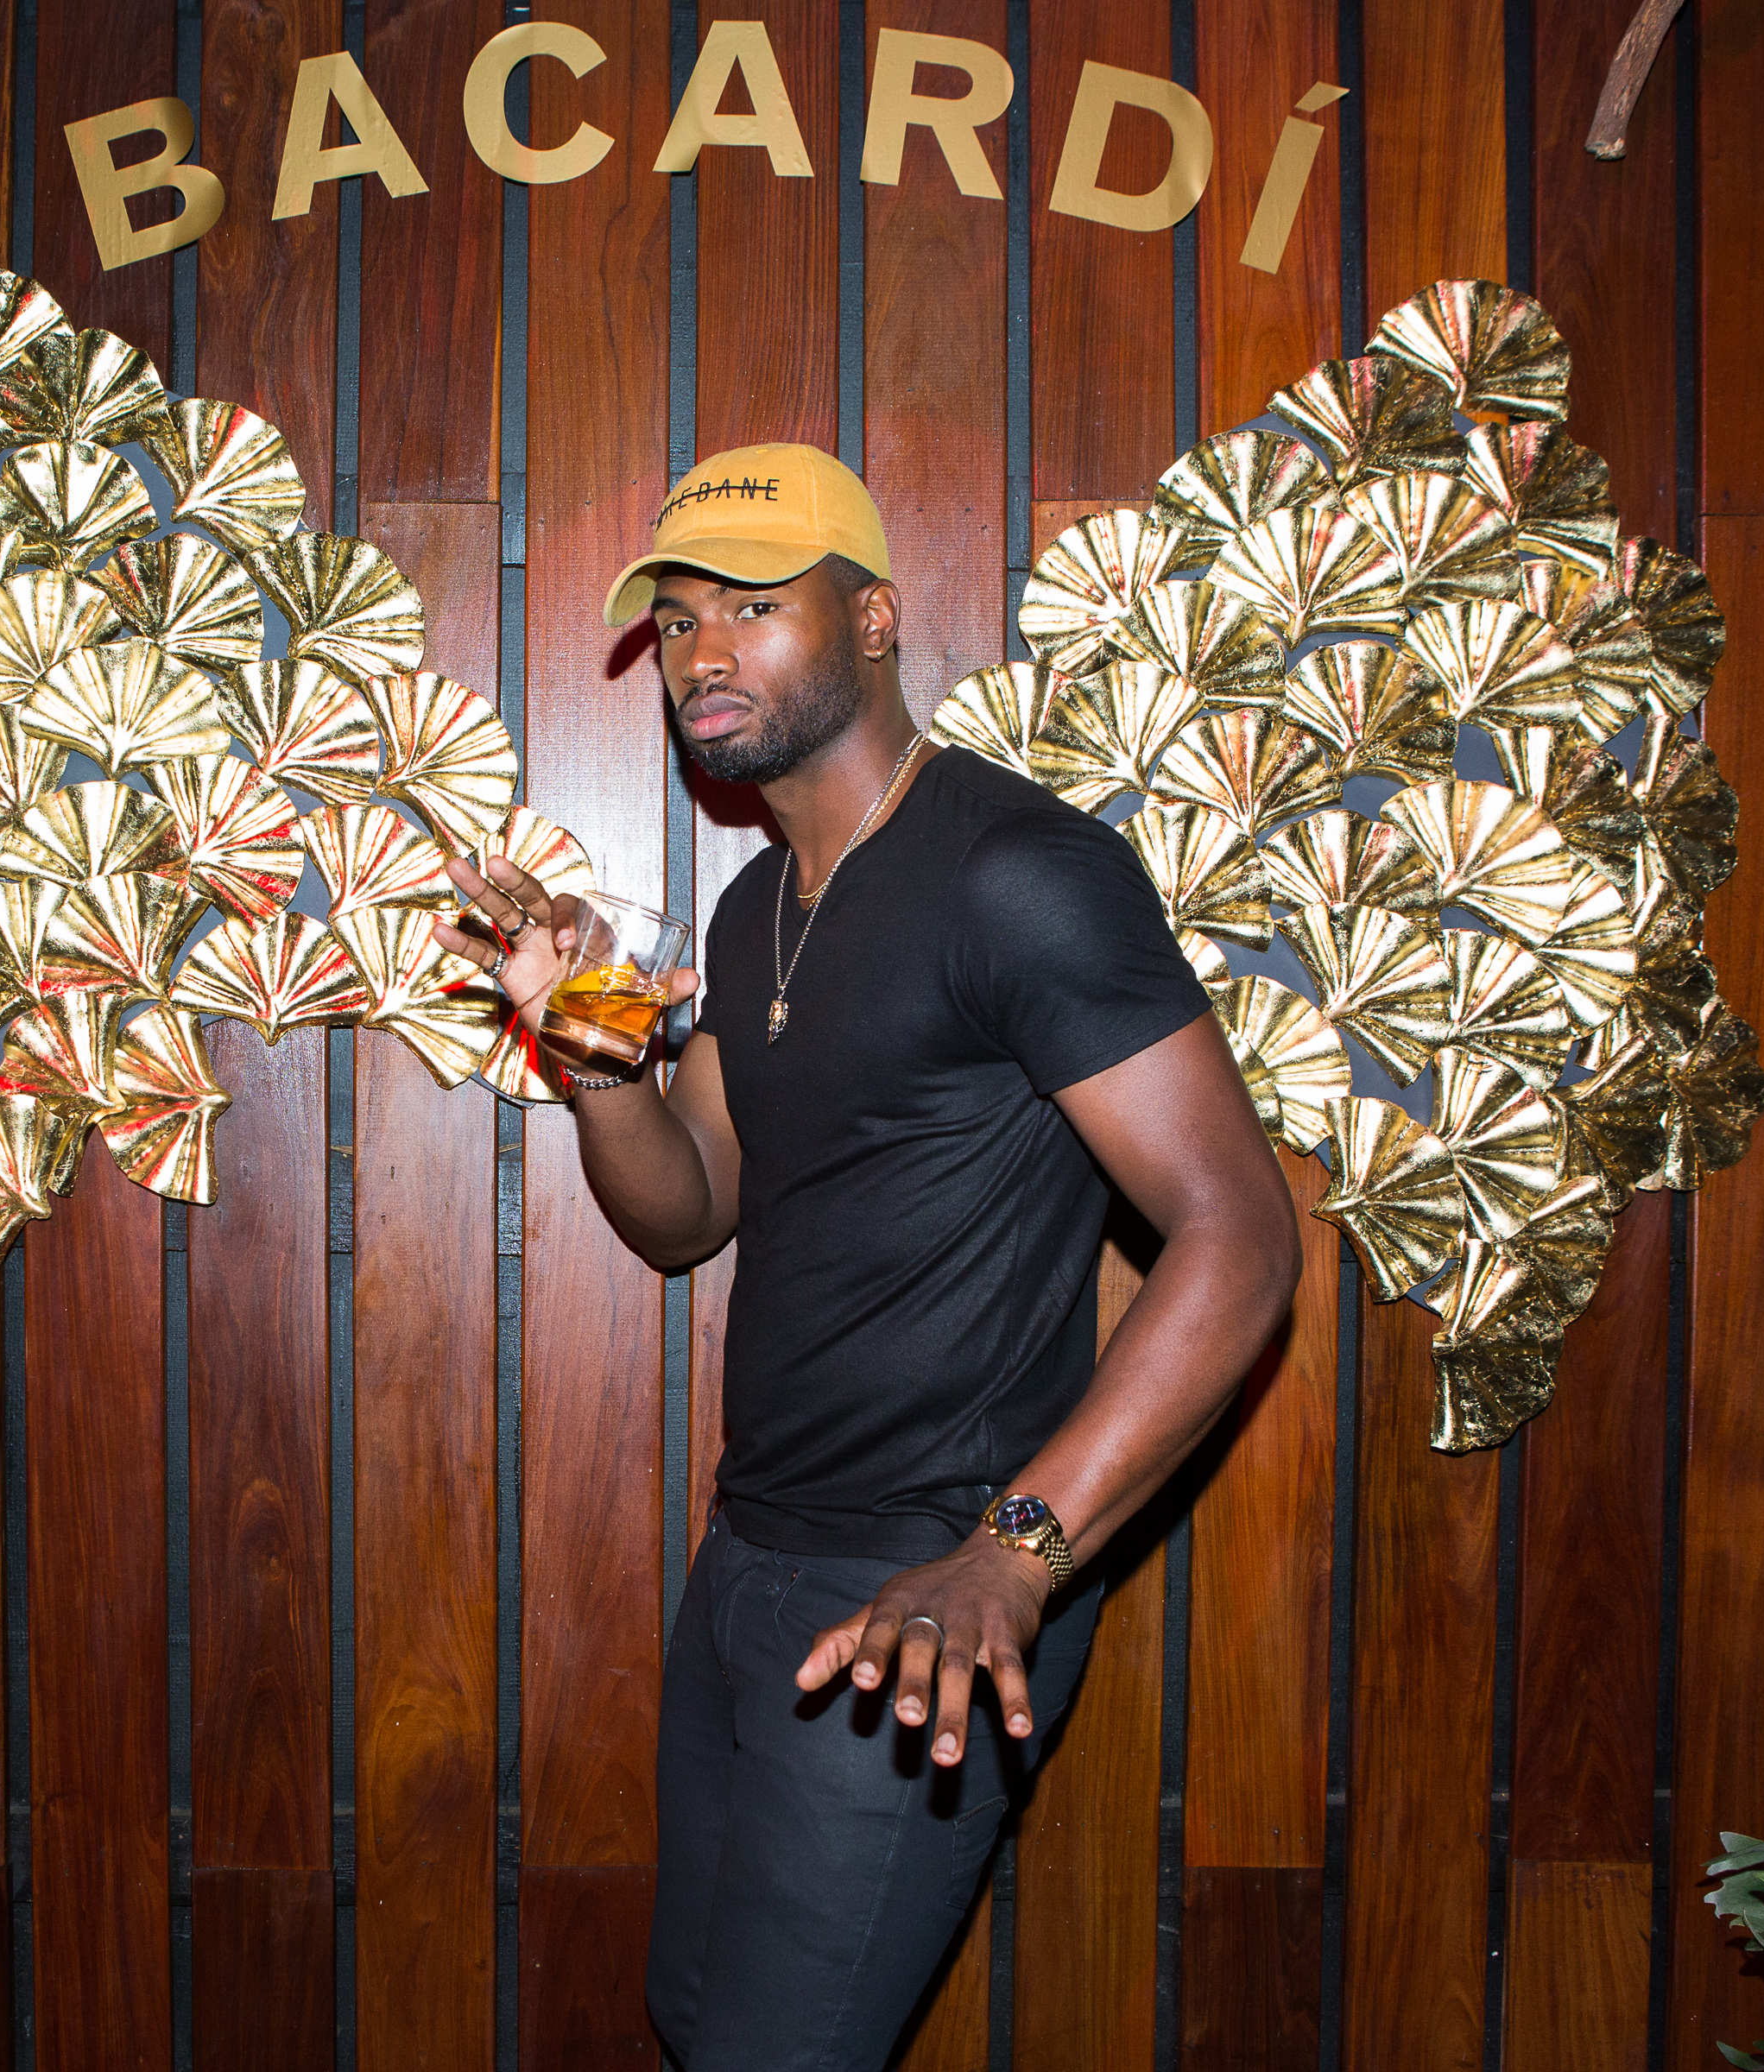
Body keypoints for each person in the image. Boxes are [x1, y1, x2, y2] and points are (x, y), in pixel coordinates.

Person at [435, 443, 1301, 2068]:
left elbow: (1240, 1238)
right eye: (678, 619)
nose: (704, 652)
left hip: (930, 1589)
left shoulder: (1016, 874)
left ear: (878, 618)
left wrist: (1016, 1554)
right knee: (698, 2019)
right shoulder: (759, 907)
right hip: (753, 1560)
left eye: (756, 607)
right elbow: (689, 1209)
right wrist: (593, 1046)